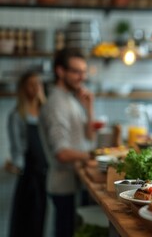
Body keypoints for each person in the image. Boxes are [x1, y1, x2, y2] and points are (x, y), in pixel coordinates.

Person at [39, 48, 95, 237]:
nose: (83, 77)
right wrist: (94, 156)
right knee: (64, 232)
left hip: (73, 182)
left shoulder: (70, 99)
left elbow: (89, 137)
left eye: (84, 71)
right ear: (60, 71)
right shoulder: (56, 104)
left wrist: (89, 107)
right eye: (77, 71)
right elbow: (61, 153)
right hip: (62, 184)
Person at [7, 71, 47, 237]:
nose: (35, 87)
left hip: (46, 173)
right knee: (25, 221)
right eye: (31, 84)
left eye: (38, 83)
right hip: (28, 175)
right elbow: (16, 147)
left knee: (41, 220)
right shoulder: (17, 116)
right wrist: (15, 165)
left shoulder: (46, 113)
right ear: (23, 88)